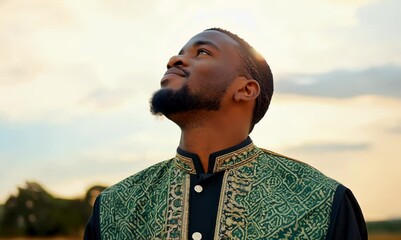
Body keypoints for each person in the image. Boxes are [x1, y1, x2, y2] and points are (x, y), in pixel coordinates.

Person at [84, 28, 367, 240]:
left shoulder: (321, 201)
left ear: (245, 89)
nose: (174, 60)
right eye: (179, 53)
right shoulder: (115, 207)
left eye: (202, 52)